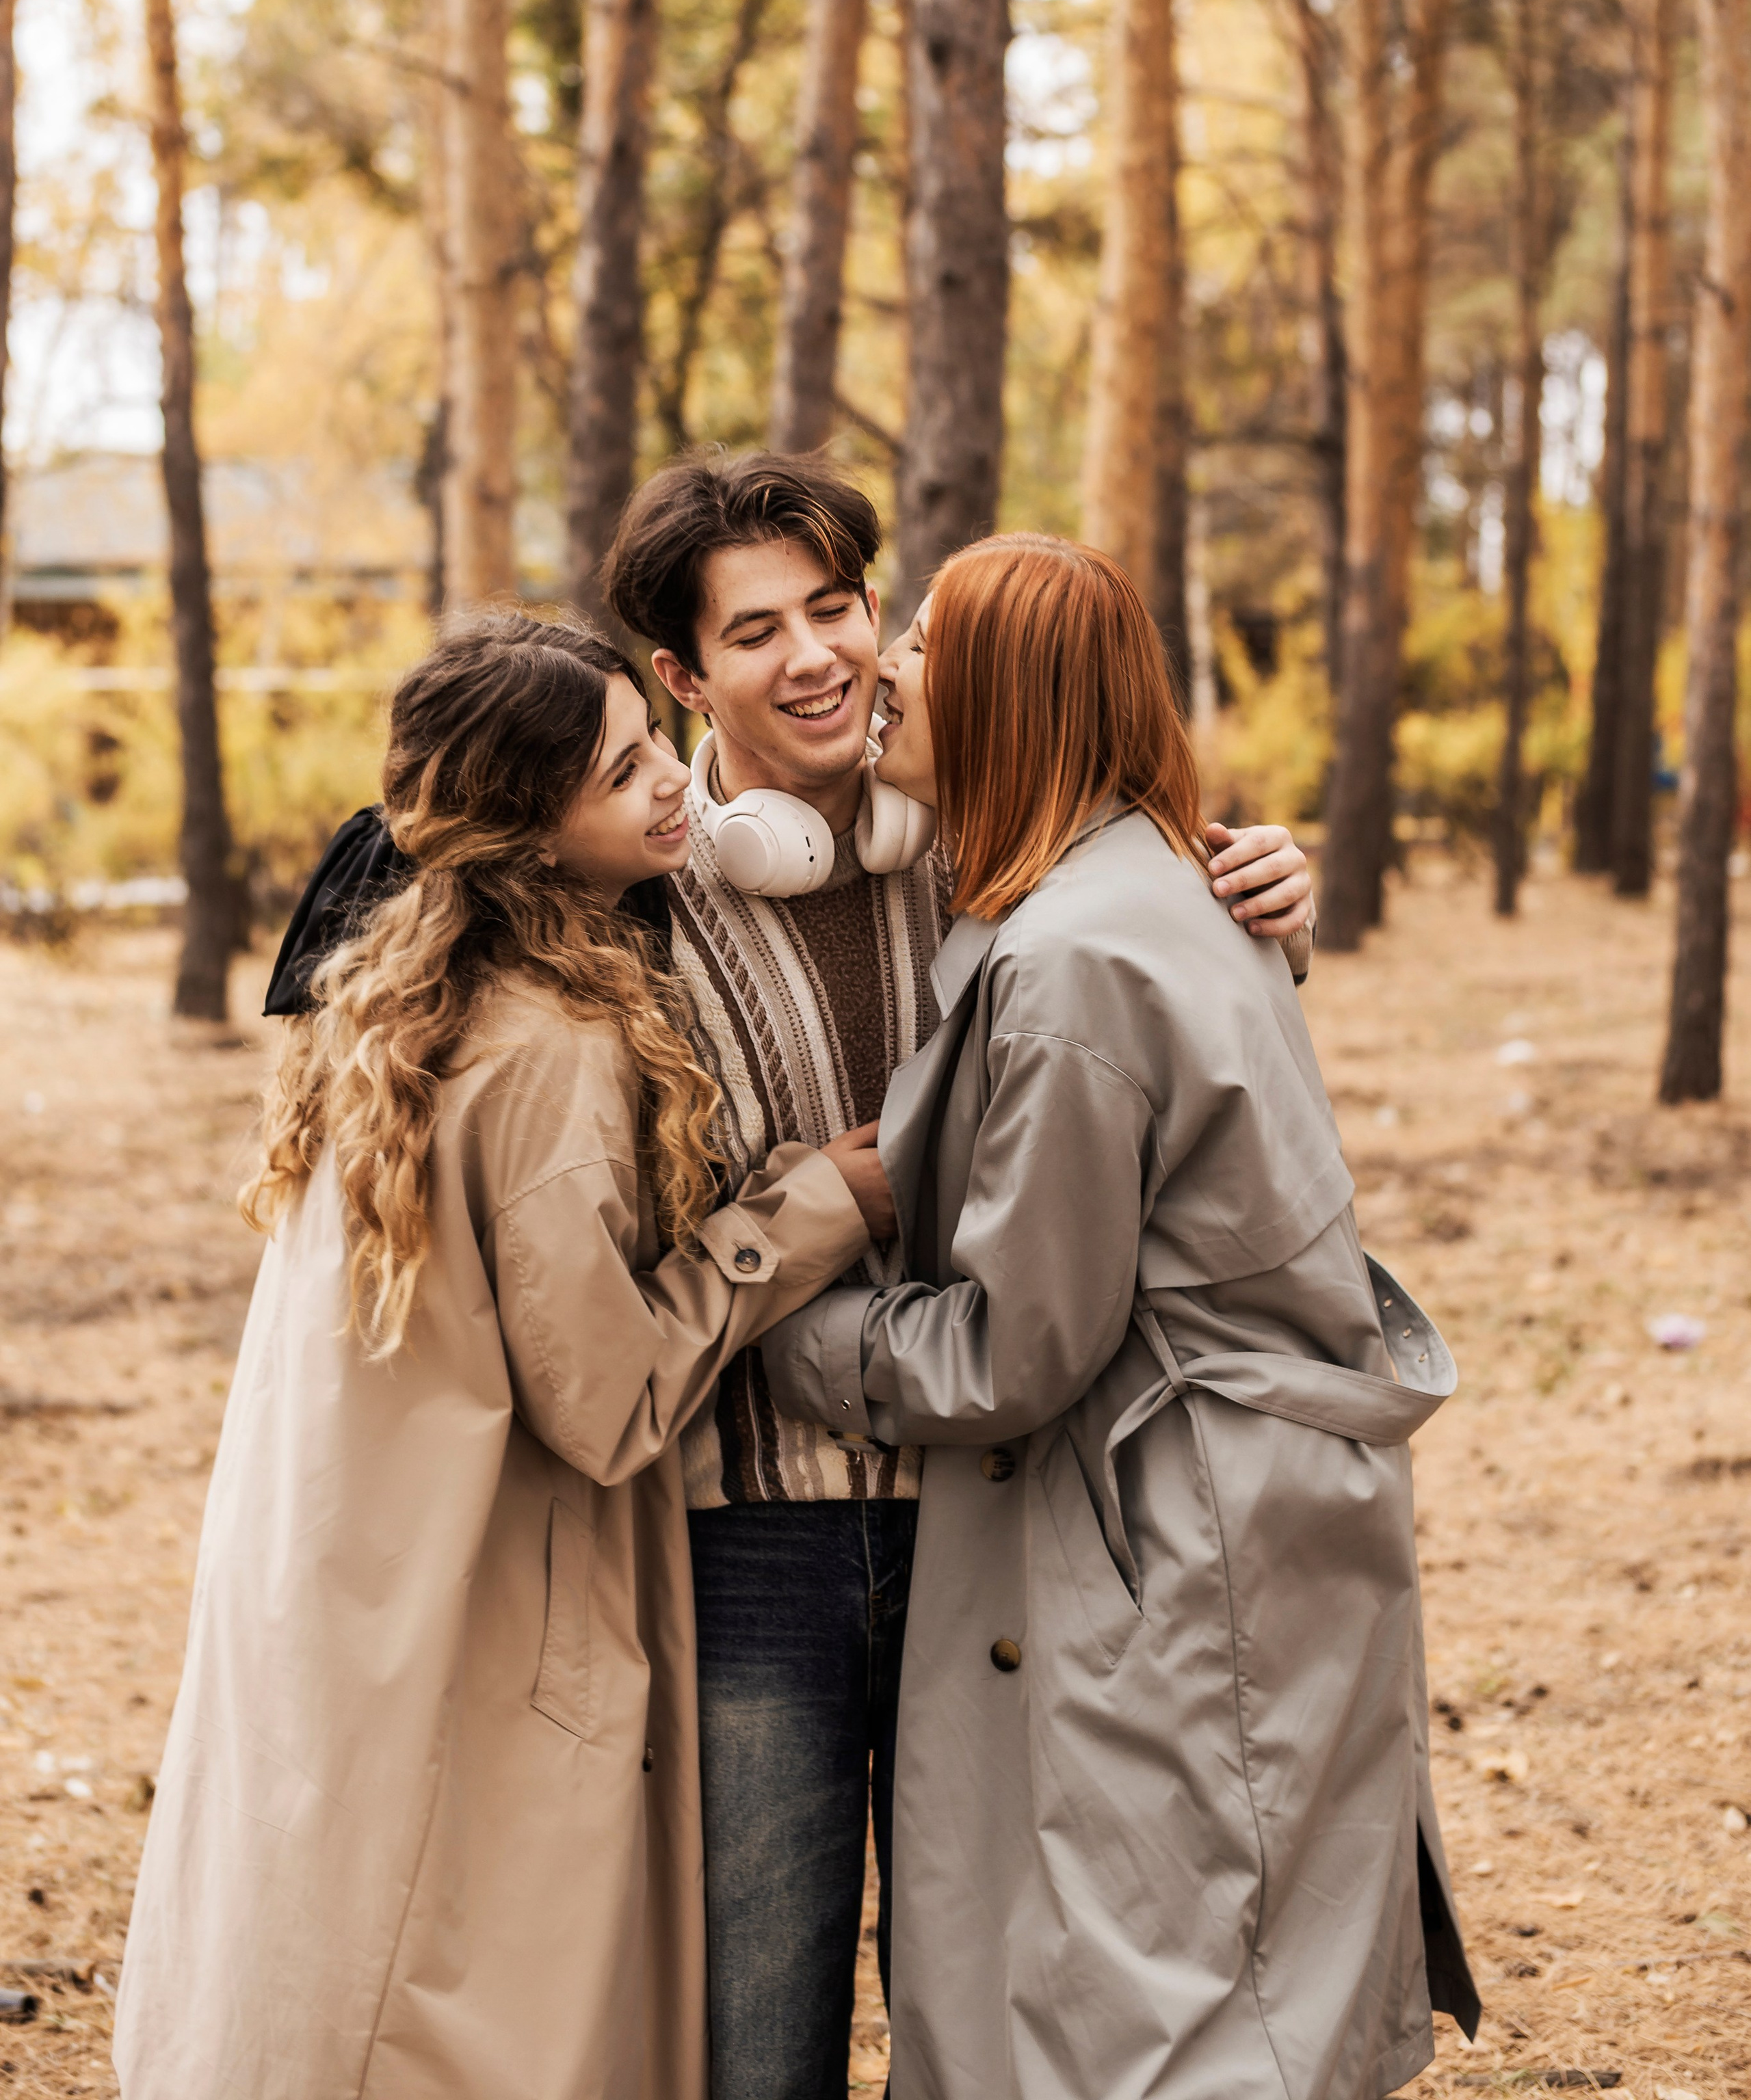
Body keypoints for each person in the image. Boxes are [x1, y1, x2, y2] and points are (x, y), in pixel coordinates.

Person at [257, 452, 1319, 2100]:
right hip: (745, 1543)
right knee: (759, 2028)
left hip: (1004, 1510)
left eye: (838, 607)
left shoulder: (999, 837)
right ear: (679, 679)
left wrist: (1261, 905)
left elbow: (1147, 1054)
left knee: (1007, 2001)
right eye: (755, 633)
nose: (816, 656)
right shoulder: (615, 889)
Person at [113, 613, 890, 2100]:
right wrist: (813, 1209)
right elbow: (604, 1404)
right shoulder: (545, 1046)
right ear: (530, 831)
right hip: (483, 1608)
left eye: (653, 745)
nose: (670, 784)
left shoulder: (393, 993)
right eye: (622, 774)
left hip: (361, 1588)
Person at [761, 532, 1478, 2100]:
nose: (884, 666)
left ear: (1010, 691)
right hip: (1227, 1512)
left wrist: (776, 1332)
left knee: (1154, 2001)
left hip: (1162, 1531)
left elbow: (1017, 1348)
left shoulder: (1075, 957)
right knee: (1217, 1955)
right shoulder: (1148, 884)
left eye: (926, 642)